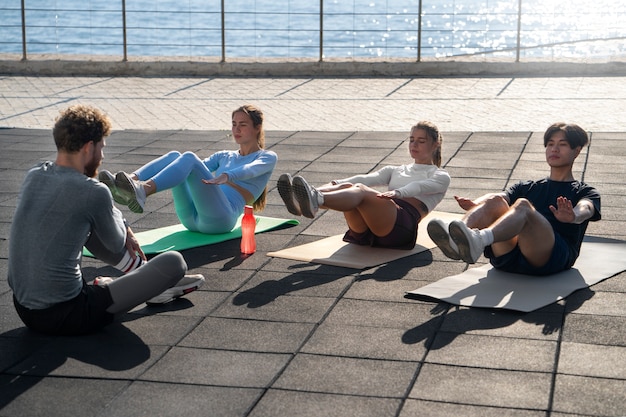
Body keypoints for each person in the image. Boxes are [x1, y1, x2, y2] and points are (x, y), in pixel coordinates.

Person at [8, 105, 205, 336]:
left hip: (24, 309)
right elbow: (115, 242)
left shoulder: (34, 174)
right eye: (101, 148)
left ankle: (135, 282)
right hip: (71, 313)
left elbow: (89, 202)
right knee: (174, 262)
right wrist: (126, 228)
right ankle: (155, 287)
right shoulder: (93, 191)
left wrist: (122, 223)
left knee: (85, 221)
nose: (102, 156)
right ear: (89, 147)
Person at [427, 122, 601, 276]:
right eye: (550, 144)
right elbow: (498, 197)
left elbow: (586, 208)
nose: (554, 149)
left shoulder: (584, 191)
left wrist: (573, 216)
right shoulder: (528, 186)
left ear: (576, 151)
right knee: (496, 200)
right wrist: (477, 204)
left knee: (523, 206)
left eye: (562, 145)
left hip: (550, 259)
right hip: (508, 258)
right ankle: (456, 240)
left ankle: (478, 239)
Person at [99, 104, 277, 234]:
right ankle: (130, 182)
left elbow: (251, 170)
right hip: (190, 219)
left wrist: (226, 176)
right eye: (234, 124)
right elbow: (189, 168)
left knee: (190, 158)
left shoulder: (267, 157)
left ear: (257, 128)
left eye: (243, 124)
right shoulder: (225, 155)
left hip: (220, 219)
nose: (236, 129)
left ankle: (143, 191)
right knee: (176, 156)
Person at [278, 121, 450, 250]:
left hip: (400, 228)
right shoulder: (396, 169)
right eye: (412, 140)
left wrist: (398, 192)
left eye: (421, 141)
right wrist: (335, 183)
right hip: (367, 229)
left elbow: (420, 187)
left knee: (360, 190)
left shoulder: (440, 175)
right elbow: (368, 178)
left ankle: (316, 198)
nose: (414, 144)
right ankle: (309, 198)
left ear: (435, 144)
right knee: (349, 187)